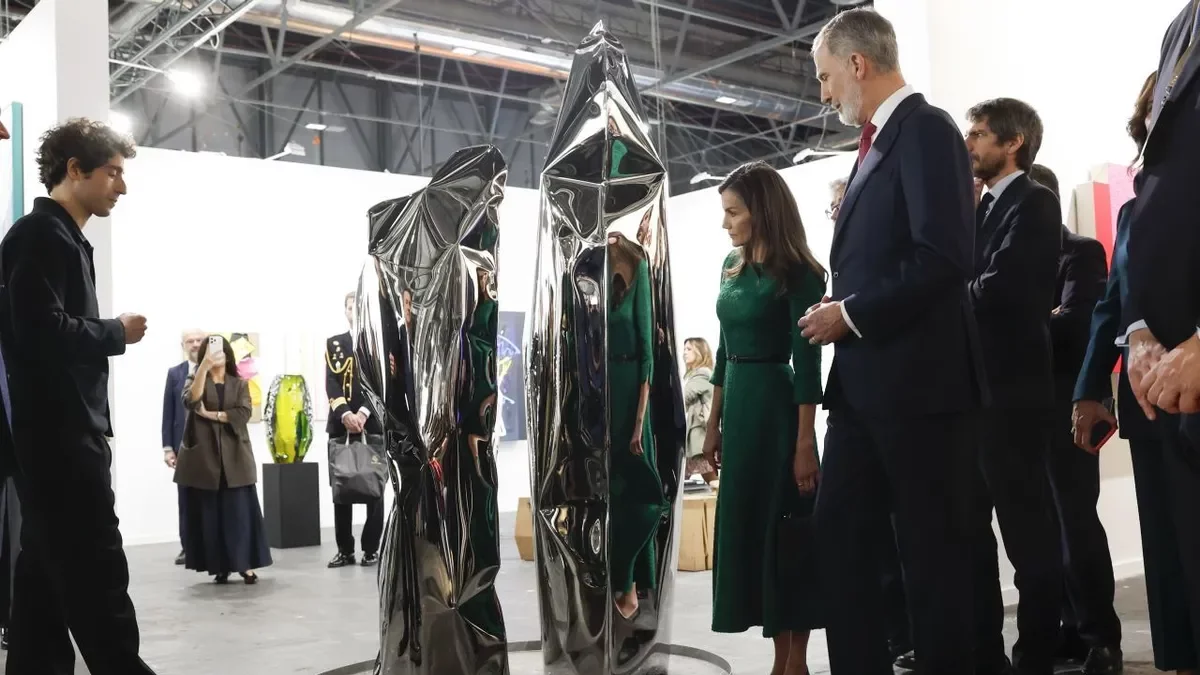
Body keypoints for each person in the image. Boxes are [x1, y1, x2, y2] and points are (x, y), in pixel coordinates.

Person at [798, 9, 984, 675]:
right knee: (842, 545)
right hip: (863, 389)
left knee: (931, 561)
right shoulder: (877, 143)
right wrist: (844, 309)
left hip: (919, 389)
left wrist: (850, 314)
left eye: (824, 77)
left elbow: (945, 257)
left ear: (857, 65)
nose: (822, 94)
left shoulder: (926, 129)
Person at [0, 118, 156, 674]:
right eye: (113, 172)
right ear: (74, 169)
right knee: (97, 573)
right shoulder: (39, 235)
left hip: (60, 434)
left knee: (42, 581)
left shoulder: (62, 238)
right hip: (60, 439)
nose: (122, 185)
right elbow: (38, 332)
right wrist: (116, 331)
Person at [1079, 70, 1200, 675]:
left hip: (1192, 385)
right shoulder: (1132, 211)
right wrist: (1091, 388)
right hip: (1144, 395)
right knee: (1164, 547)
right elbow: (1112, 305)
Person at [704, 161, 825, 675]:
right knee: (751, 533)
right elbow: (722, 352)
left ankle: (793, 661)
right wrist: (711, 427)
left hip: (776, 413)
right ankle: (779, 659)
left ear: (763, 211)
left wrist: (804, 441)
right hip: (739, 407)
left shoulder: (800, 273)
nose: (725, 223)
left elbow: (808, 363)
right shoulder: (731, 266)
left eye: (733, 212)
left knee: (785, 536)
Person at [963, 97, 1065, 675]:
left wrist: (943, 299)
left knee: (1028, 539)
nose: (970, 143)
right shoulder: (976, 210)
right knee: (974, 535)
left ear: (1013, 143)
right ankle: (986, 658)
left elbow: (1001, 289)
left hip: (1015, 396)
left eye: (978, 134)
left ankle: (1035, 660)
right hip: (975, 395)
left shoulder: (1036, 201)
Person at [1030, 163, 1123, 674]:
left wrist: (1021, 322)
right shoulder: (1008, 255)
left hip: (1069, 406)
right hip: (1021, 407)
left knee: (1075, 522)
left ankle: (1099, 637)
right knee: (1040, 527)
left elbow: (1079, 325)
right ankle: (1066, 630)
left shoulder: (1080, 252)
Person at [174, 335, 272, 584]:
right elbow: (190, 400)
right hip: (204, 458)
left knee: (239, 514)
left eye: (218, 351)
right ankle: (219, 567)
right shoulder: (195, 378)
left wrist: (213, 414)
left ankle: (246, 565)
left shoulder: (238, 383)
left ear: (227, 355)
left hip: (235, 456)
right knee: (211, 514)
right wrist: (203, 367)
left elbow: (243, 412)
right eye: (209, 350)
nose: (215, 354)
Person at [606, 232, 665, 620]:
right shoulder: (596, 274)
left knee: (643, 494)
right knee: (614, 492)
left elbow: (647, 354)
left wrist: (638, 422)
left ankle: (629, 580)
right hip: (605, 395)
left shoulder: (640, 269)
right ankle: (627, 584)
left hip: (632, 397)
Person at [327, 292, 384, 569]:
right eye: (350, 306)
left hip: (371, 423)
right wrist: (345, 413)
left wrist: (362, 412)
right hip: (340, 425)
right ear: (345, 310)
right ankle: (344, 550)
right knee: (342, 487)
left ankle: (371, 548)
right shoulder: (335, 344)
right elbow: (331, 383)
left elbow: (379, 383)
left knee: (374, 486)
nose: (354, 311)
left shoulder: (378, 342)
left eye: (358, 306)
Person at [163, 329, 207, 565]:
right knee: (186, 500)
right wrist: (168, 448)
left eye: (199, 340)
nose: (195, 344)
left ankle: (210, 546)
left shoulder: (214, 371)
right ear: (183, 345)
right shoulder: (175, 374)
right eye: (190, 341)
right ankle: (187, 547)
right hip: (184, 447)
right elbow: (168, 412)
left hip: (210, 447)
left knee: (210, 499)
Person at [682, 337, 716, 484]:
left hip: (700, 438)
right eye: (684, 349)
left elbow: (683, 399)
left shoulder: (701, 375)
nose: (684, 353)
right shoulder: (705, 374)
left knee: (712, 480)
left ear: (700, 352)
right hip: (700, 436)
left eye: (689, 349)